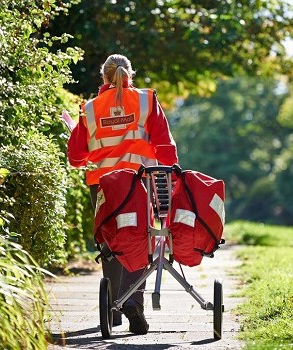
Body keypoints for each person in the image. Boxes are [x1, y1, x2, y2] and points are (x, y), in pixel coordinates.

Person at [67, 54, 178, 335]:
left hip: (103, 185)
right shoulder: (146, 100)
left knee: (110, 241)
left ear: (103, 77)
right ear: (131, 73)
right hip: (140, 181)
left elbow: (77, 157)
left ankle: (111, 311)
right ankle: (133, 303)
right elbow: (164, 144)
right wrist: (172, 178)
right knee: (139, 238)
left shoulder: (89, 109)